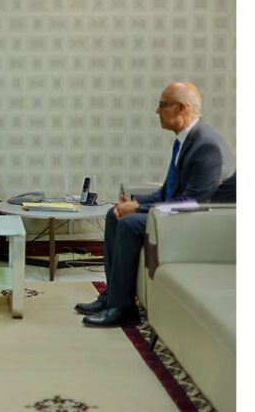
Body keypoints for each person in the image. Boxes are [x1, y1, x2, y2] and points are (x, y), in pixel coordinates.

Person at [76, 81, 235, 327]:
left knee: (129, 224)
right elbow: (167, 192)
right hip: (183, 214)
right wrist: (133, 203)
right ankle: (112, 297)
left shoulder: (206, 146)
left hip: (202, 223)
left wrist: (137, 209)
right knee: (114, 215)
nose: (157, 111)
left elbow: (194, 202)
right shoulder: (185, 140)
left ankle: (123, 310)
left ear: (182, 108)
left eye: (162, 105)